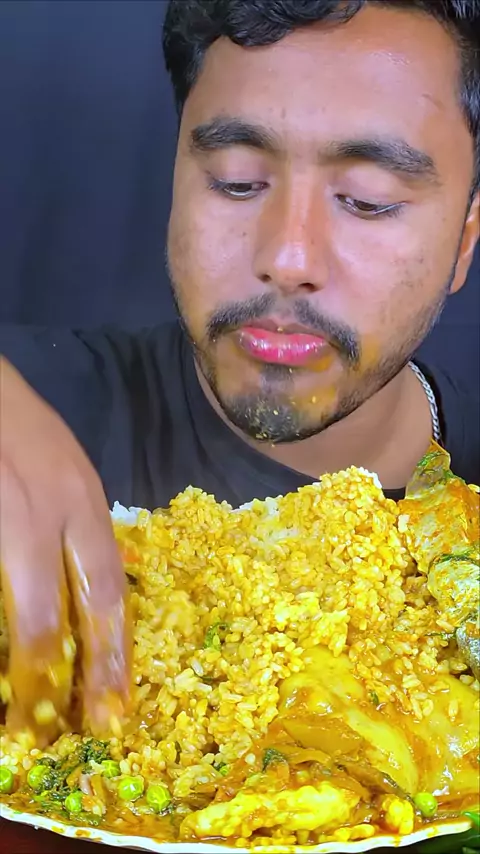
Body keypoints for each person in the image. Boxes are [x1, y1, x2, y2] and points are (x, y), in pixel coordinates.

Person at [0, 0, 479, 741]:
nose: (286, 258)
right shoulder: (44, 407)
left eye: (366, 201)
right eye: (236, 181)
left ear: (465, 241)